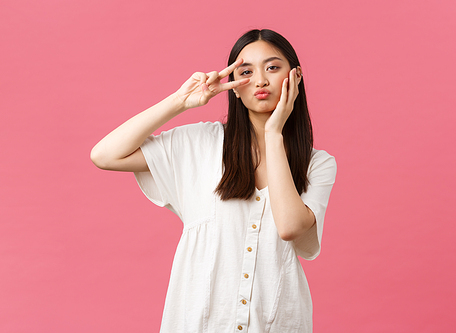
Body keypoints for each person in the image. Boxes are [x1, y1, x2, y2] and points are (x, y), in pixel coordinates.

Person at [91, 29, 337, 333]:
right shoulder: (200, 143)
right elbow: (105, 155)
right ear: (233, 87)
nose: (260, 80)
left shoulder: (318, 164)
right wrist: (180, 101)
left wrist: (274, 134)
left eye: (272, 68)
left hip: (278, 323)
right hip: (199, 322)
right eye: (246, 71)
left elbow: (289, 228)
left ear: (295, 77)